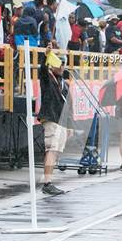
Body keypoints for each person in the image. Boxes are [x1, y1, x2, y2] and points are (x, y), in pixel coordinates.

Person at [38, 44, 71, 195]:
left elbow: (67, 105)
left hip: (61, 119)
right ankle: (47, 183)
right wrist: (46, 55)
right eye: (60, 62)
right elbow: (42, 70)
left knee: (55, 150)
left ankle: (49, 180)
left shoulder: (64, 82)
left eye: (64, 63)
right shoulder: (48, 78)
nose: (62, 66)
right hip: (51, 117)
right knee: (51, 149)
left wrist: (69, 125)